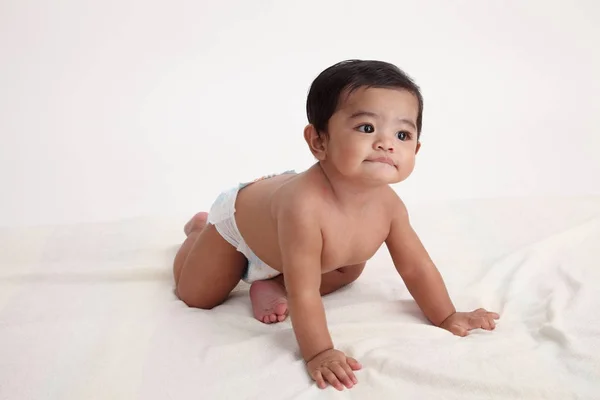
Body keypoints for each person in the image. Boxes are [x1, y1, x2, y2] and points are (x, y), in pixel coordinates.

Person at [173, 59, 500, 391]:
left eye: (402, 134)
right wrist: (320, 352)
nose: (387, 143)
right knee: (196, 296)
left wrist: (447, 316)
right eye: (367, 128)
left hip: (287, 245)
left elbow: (416, 267)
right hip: (241, 224)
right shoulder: (304, 206)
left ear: (415, 149)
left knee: (349, 266)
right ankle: (199, 232)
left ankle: (271, 283)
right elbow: (304, 292)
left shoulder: (390, 207)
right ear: (319, 141)